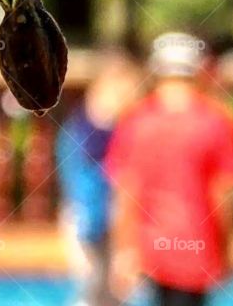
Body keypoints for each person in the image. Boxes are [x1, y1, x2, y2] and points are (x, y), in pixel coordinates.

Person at [107, 32, 233, 306]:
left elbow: (125, 193)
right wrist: (226, 249)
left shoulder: (135, 121)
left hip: (149, 251)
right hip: (199, 248)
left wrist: (124, 250)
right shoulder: (217, 122)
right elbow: (224, 195)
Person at [56, 49, 142, 306]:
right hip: (89, 219)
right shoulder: (91, 129)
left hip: (102, 219)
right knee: (96, 288)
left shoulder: (89, 124)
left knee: (112, 290)